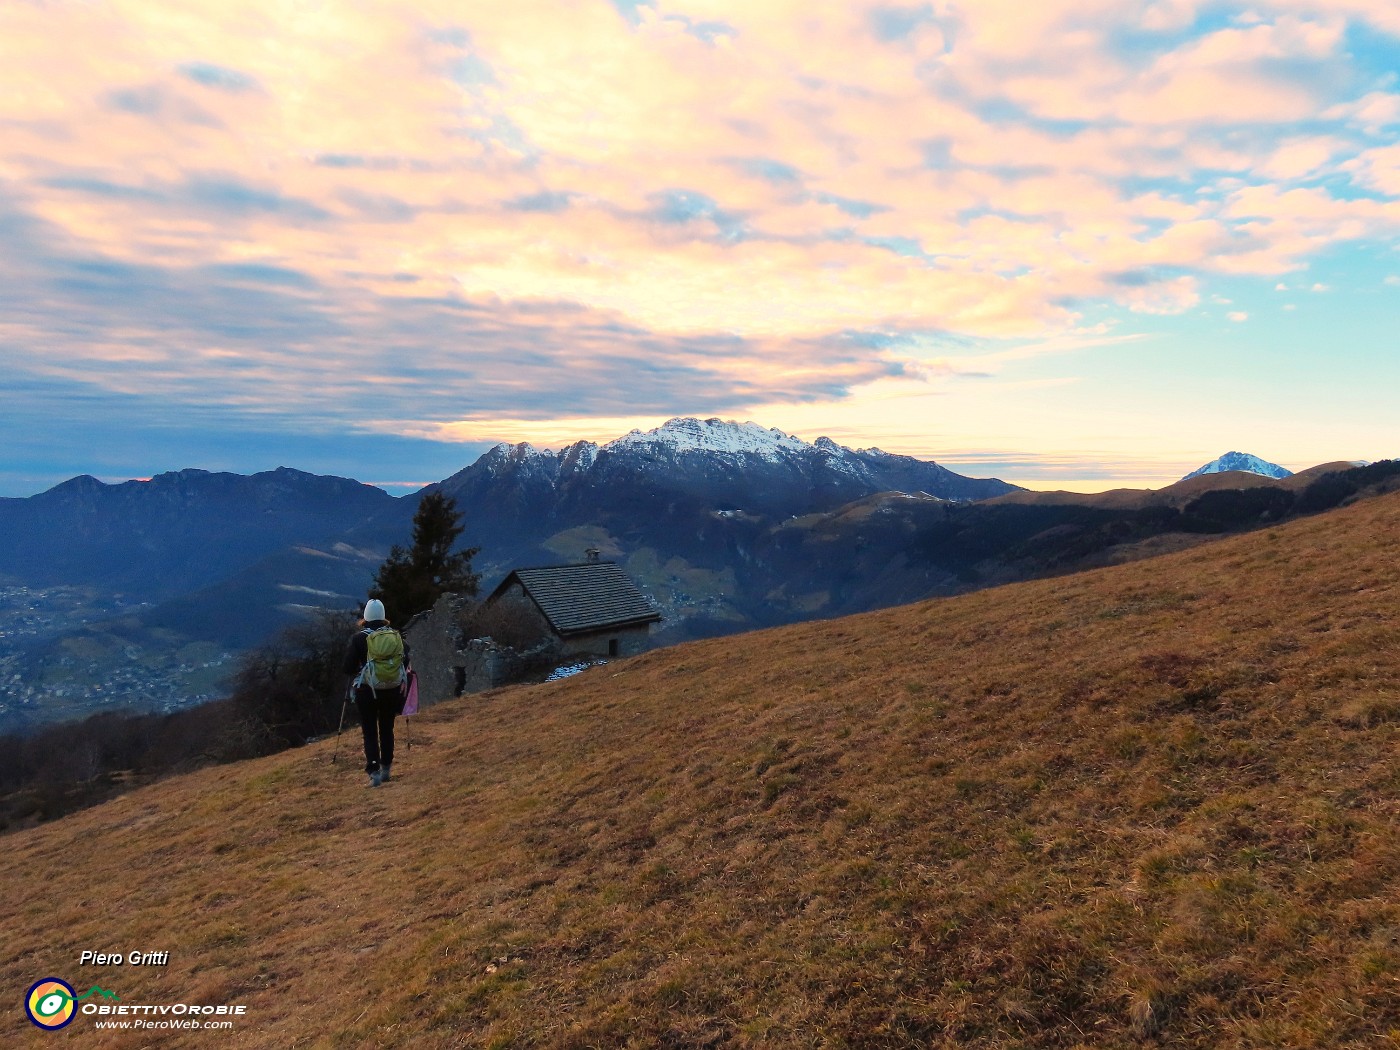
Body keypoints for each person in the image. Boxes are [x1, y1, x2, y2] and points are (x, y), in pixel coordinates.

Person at [342, 598, 409, 787]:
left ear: (365, 617)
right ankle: (387, 767)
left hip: (366, 691)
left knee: (369, 731)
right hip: (391, 689)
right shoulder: (394, 636)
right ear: (383, 615)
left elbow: (347, 667)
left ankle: (374, 772)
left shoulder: (359, 639)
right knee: (387, 728)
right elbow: (406, 657)